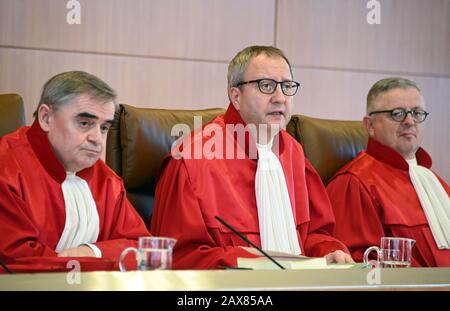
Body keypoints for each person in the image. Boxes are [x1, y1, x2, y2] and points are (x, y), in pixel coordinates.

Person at [151, 46, 353, 269]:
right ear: (236, 96)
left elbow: (313, 234)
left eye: (287, 86)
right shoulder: (191, 159)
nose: (280, 98)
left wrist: (330, 251)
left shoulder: (294, 153)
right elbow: (177, 259)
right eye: (266, 86)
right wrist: (257, 263)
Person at [0, 71, 150, 266]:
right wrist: (101, 258)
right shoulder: (6, 170)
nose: (97, 138)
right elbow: (19, 264)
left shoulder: (107, 180)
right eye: (84, 123)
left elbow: (142, 250)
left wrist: (90, 252)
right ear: (46, 118)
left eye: (103, 128)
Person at [326, 77, 450, 267]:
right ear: (370, 126)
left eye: (417, 113)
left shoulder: (436, 182)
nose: (409, 121)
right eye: (397, 113)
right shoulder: (355, 183)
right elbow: (363, 268)